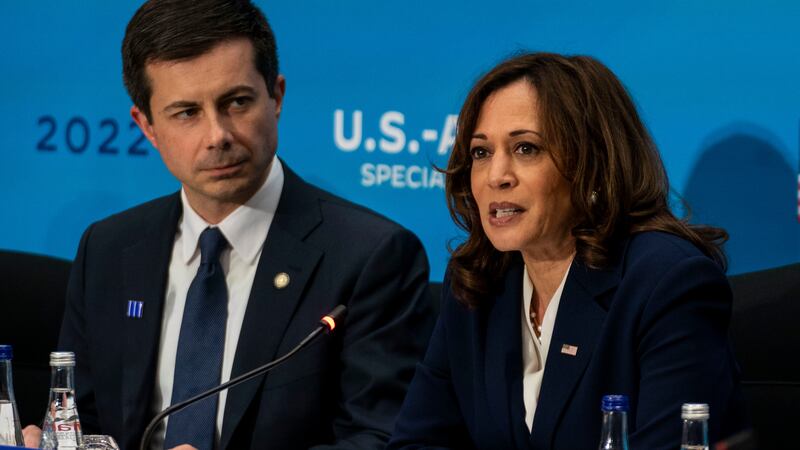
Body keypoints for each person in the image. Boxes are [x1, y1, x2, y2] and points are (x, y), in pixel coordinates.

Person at [23, 1, 433, 449]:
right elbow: (84, 421)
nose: (217, 134)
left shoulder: (371, 256)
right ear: (147, 126)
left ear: (275, 97)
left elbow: (380, 439)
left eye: (236, 102)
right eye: (186, 112)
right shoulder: (108, 248)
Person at [388, 53, 747, 449]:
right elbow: (416, 442)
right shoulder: (476, 282)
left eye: (526, 149)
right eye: (481, 152)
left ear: (592, 163)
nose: (496, 176)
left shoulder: (665, 284)